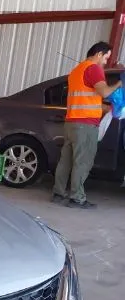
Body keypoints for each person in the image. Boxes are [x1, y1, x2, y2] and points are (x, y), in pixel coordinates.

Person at [53, 41, 124, 209]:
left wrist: (107, 108)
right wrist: (121, 83)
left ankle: (58, 193)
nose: (106, 62)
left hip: (71, 122)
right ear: (99, 54)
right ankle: (77, 198)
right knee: (83, 162)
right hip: (85, 125)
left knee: (66, 161)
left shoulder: (77, 70)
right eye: (106, 58)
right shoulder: (94, 69)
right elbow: (105, 92)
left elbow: (87, 98)